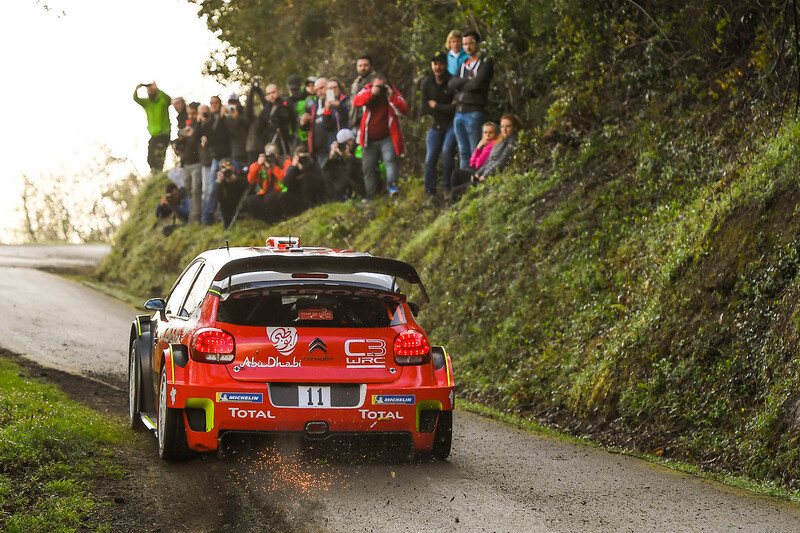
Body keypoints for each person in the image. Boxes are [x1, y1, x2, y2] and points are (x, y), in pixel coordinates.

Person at [352, 73, 408, 198]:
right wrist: (372, 93)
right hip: (368, 139)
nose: (381, 87)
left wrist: (391, 96)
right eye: (378, 84)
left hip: (387, 137)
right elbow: (356, 101)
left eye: (383, 84)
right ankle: (371, 196)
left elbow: (404, 108)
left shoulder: (392, 91)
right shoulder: (367, 88)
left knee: (390, 161)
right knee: (368, 168)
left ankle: (392, 188)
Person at [449, 30, 495, 168]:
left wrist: (461, 85)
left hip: (474, 111)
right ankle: (464, 184)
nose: (467, 47)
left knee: (476, 150)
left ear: (478, 43)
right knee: (463, 152)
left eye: (470, 43)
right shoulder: (464, 64)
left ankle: (476, 182)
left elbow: (477, 84)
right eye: (464, 44)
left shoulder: (485, 62)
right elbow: (451, 83)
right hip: (459, 112)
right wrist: (467, 79)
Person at [449, 114, 521, 202]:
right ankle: (456, 207)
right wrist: (478, 173)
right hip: (483, 173)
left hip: (491, 176)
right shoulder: (500, 141)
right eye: (502, 126)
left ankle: (457, 208)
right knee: (456, 176)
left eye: (508, 126)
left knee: (455, 192)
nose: (504, 129)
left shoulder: (512, 142)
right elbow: (488, 161)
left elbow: (501, 161)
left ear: (515, 128)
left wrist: (485, 175)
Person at [421, 51, 457, 202]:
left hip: (451, 124)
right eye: (435, 64)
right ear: (432, 65)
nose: (438, 67)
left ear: (446, 64)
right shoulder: (426, 83)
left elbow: (455, 108)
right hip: (435, 125)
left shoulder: (452, 81)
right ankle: (430, 193)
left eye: (441, 63)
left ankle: (447, 188)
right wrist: (444, 107)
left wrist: (437, 106)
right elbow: (425, 108)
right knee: (430, 158)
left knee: (448, 153)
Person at [243, 143, 290, 223]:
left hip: (282, 191)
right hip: (266, 191)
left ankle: (280, 219)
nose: (269, 157)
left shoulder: (285, 161)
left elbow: (285, 179)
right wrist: (257, 164)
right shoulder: (263, 164)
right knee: (249, 201)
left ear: (277, 153)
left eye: (272, 154)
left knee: (269, 198)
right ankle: (269, 221)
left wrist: (273, 167)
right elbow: (251, 179)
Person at [133, 81, 172, 173]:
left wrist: (157, 89)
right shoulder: (147, 103)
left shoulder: (162, 100)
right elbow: (136, 98)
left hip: (164, 133)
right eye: (148, 91)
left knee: (158, 155)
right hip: (154, 135)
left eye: (152, 90)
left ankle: (159, 171)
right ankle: (155, 173)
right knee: (150, 158)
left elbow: (169, 100)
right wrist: (138, 88)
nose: (150, 92)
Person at [176, 102, 203, 223]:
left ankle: (196, 217)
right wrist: (178, 142)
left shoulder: (200, 124)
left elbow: (196, 138)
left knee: (196, 189)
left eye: (193, 113)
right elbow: (185, 143)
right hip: (186, 163)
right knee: (187, 190)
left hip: (198, 162)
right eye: (189, 113)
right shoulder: (188, 125)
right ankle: (190, 215)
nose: (191, 116)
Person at [322, 128, 366, 199]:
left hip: (359, 179)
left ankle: (360, 195)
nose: (348, 144)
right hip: (345, 184)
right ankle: (343, 197)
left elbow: (363, 163)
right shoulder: (338, 152)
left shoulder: (358, 148)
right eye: (344, 142)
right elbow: (324, 168)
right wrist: (331, 154)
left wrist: (349, 156)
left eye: (350, 140)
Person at [214, 158, 248, 228]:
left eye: (229, 166)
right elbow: (219, 199)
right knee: (223, 205)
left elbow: (248, 184)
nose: (227, 169)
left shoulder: (241, 172)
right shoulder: (222, 178)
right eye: (223, 167)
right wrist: (219, 184)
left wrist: (236, 179)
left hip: (241, 199)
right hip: (229, 202)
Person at [348, 55, 378, 131]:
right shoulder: (356, 83)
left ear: (370, 66)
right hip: (356, 123)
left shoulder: (377, 81)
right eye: (360, 66)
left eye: (365, 65)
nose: (363, 68)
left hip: (372, 122)